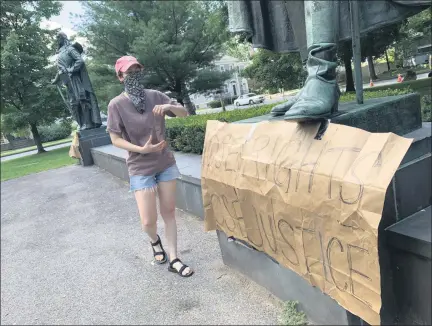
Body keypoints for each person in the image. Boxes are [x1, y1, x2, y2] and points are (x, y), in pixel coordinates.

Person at [106, 56, 193, 277]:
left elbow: (184, 113)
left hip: (164, 163)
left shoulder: (155, 96)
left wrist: (169, 106)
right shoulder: (116, 105)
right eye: (129, 72)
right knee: (148, 221)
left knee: (169, 212)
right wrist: (141, 149)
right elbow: (115, 139)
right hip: (139, 166)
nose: (134, 75)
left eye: (137, 70)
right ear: (120, 77)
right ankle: (155, 241)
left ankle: (174, 258)